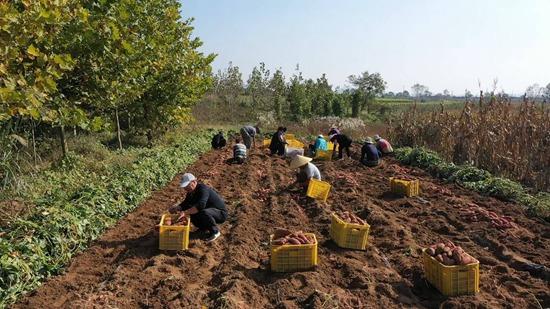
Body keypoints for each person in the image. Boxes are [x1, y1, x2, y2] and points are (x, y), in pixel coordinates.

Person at [169, 173, 227, 242]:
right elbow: (186, 203)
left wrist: (185, 213)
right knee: (193, 210)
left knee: (201, 211)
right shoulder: (191, 192)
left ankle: (215, 232)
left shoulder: (203, 189)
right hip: (209, 212)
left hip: (220, 213)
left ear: (194, 182)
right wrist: (177, 208)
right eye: (184, 187)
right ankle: (203, 228)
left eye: (187, 185)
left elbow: (201, 205)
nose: (185, 188)